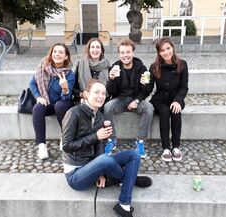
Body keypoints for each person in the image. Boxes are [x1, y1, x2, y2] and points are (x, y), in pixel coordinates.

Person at [62, 79, 152, 217]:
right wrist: (95, 137)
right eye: (96, 92)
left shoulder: (99, 115)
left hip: (93, 165)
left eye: (103, 93)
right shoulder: (73, 113)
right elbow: (67, 146)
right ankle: (130, 179)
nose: (101, 96)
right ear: (86, 94)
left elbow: (100, 144)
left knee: (133, 154)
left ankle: (124, 204)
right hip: (76, 174)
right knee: (105, 160)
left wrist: (100, 173)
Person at [103, 39, 154, 158]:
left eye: (128, 52)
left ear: (133, 52)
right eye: (122, 53)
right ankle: (111, 140)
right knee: (107, 107)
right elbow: (111, 92)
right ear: (119, 54)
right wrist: (112, 80)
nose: (125, 55)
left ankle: (140, 141)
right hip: (120, 100)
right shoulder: (115, 67)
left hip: (136, 99)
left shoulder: (142, 68)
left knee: (149, 108)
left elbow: (147, 91)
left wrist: (138, 99)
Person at [29, 43, 75, 160]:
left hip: (64, 103)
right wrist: (38, 97)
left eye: (61, 52)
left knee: (59, 105)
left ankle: (64, 135)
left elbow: (67, 97)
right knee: (38, 107)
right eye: (55, 51)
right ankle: (41, 145)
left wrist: (65, 88)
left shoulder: (69, 74)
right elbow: (32, 83)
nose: (57, 54)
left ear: (66, 57)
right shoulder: (43, 67)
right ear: (51, 53)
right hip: (47, 102)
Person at [149, 37, 189, 162]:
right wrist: (143, 84)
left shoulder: (182, 64)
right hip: (159, 100)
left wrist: (178, 100)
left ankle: (176, 147)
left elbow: (184, 87)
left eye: (168, 48)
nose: (166, 52)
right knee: (165, 112)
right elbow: (149, 88)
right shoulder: (154, 67)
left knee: (175, 111)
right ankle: (166, 148)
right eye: (162, 50)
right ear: (159, 53)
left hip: (176, 98)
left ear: (172, 48)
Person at [73, 37, 111, 102]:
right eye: (92, 47)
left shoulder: (107, 66)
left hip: (102, 100)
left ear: (101, 50)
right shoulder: (81, 64)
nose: (95, 50)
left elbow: (111, 89)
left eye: (98, 47)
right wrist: (81, 94)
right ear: (89, 49)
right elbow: (73, 88)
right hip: (84, 100)